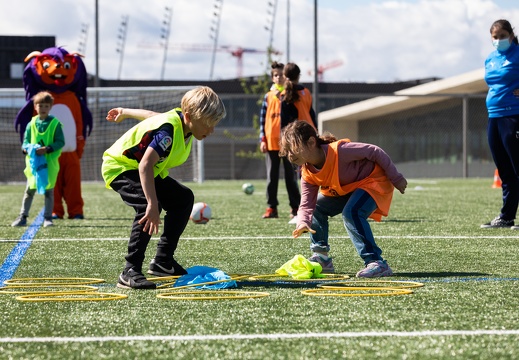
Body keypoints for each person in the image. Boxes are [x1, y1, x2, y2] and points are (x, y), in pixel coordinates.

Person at [102, 86, 226, 289]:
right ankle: (130, 270)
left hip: (141, 168)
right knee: (147, 206)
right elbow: (145, 165)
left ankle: (163, 261)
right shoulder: (168, 131)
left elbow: (150, 115)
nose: (211, 131)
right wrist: (151, 204)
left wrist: (124, 112)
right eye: (208, 125)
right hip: (121, 167)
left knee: (183, 198)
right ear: (189, 116)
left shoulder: (180, 122)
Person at [279, 121, 407, 277]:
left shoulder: (340, 151)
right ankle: (321, 258)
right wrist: (303, 222)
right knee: (317, 207)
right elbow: (307, 205)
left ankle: (376, 263)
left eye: (292, 148)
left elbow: (375, 151)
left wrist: (396, 177)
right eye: (287, 150)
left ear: (311, 142)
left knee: (351, 212)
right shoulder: (307, 173)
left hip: (374, 181)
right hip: (347, 189)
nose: (289, 155)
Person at [481, 19, 519, 229]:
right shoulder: (491, 58)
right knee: (504, 170)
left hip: (514, 116)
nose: (498, 41)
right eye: (495, 37)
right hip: (494, 116)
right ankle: (507, 217)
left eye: (502, 36)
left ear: (511, 36)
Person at [11, 91, 64, 228]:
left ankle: (48, 218)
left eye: (46, 106)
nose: (43, 108)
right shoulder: (31, 124)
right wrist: (26, 149)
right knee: (29, 190)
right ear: (35, 106)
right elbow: (26, 142)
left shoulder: (55, 124)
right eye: (40, 105)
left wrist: (46, 149)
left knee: (49, 191)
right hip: (34, 164)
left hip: (49, 163)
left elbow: (60, 142)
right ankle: (23, 217)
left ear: (50, 107)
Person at [259, 61, 301, 221]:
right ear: (272, 78)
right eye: (275, 75)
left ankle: (295, 207)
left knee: (291, 177)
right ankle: (272, 207)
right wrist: (262, 139)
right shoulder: (268, 96)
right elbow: (263, 120)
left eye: (281, 74)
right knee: (272, 177)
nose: (278, 77)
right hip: (271, 143)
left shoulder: (291, 95)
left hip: (288, 144)